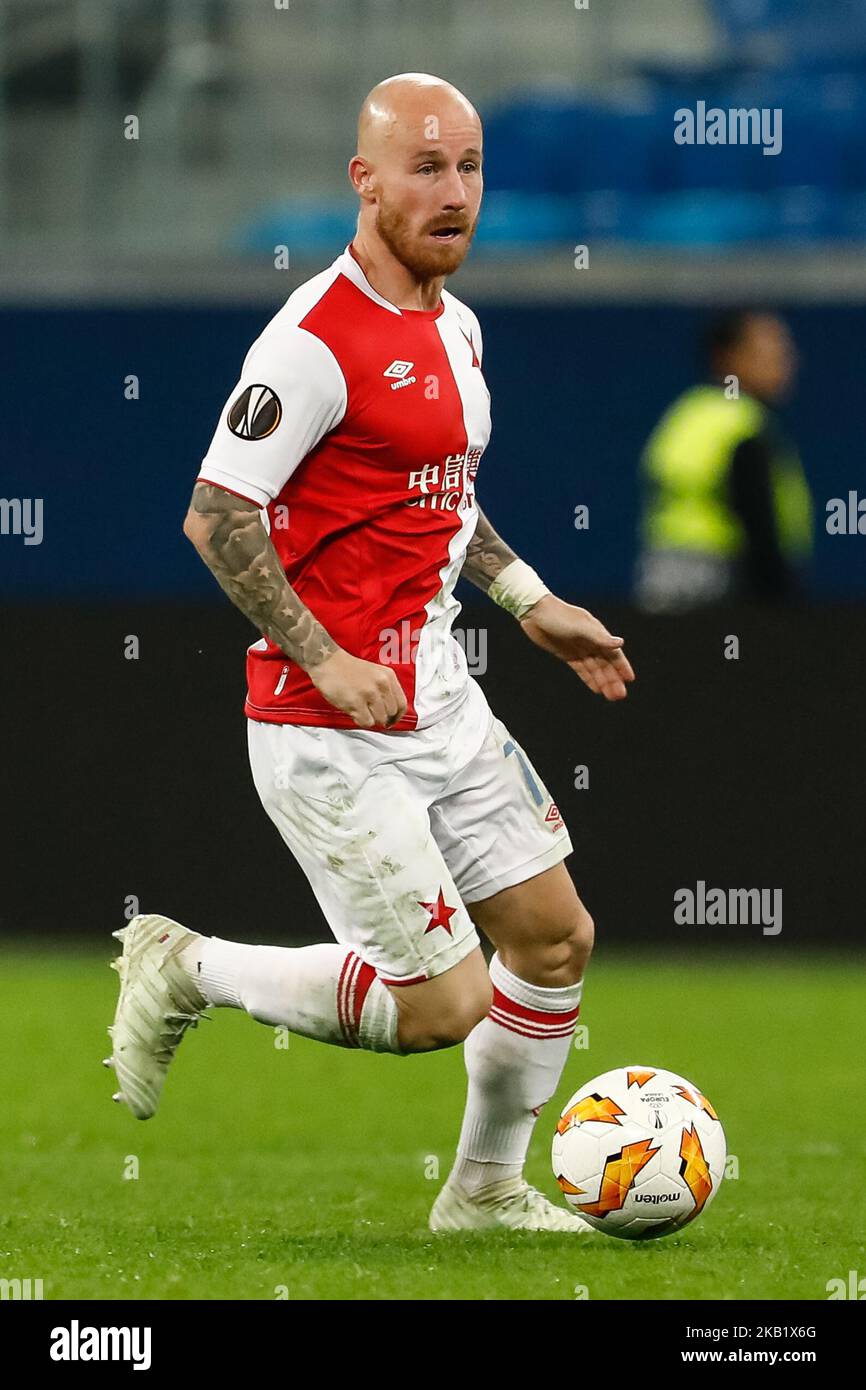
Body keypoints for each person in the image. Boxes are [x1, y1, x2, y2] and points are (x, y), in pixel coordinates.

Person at [105, 72, 634, 1234]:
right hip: (323, 726)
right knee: (440, 1004)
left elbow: (439, 497)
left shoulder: (456, 324)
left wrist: (525, 596)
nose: (454, 194)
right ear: (363, 180)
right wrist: (324, 653)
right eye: (425, 168)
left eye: (470, 168)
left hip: (439, 697)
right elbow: (215, 513)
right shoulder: (310, 339)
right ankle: (189, 966)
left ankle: (484, 1193)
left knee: (553, 940)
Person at [635, 309, 813, 613]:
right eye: (769, 353)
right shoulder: (743, 425)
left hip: (662, 574)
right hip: (726, 582)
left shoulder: (687, 413)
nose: (786, 363)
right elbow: (760, 527)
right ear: (727, 357)